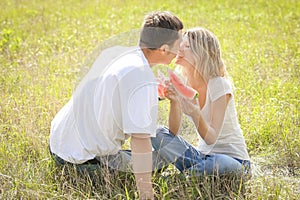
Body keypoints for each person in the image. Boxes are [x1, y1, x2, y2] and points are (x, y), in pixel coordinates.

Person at [49, 11, 183, 199]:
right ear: (162, 49)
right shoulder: (142, 79)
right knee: (160, 161)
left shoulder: (123, 55)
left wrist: (155, 95)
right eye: (177, 46)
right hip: (80, 164)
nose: (178, 54)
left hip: (58, 144)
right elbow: (140, 139)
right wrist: (146, 193)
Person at [151, 27, 251, 177]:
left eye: (187, 46)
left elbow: (211, 138)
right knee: (157, 133)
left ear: (201, 53)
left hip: (233, 160)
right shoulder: (182, 80)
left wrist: (196, 114)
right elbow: (173, 133)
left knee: (220, 163)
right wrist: (174, 102)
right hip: (199, 157)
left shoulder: (219, 85)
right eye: (181, 44)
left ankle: (181, 179)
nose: (179, 48)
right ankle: (194, 174)